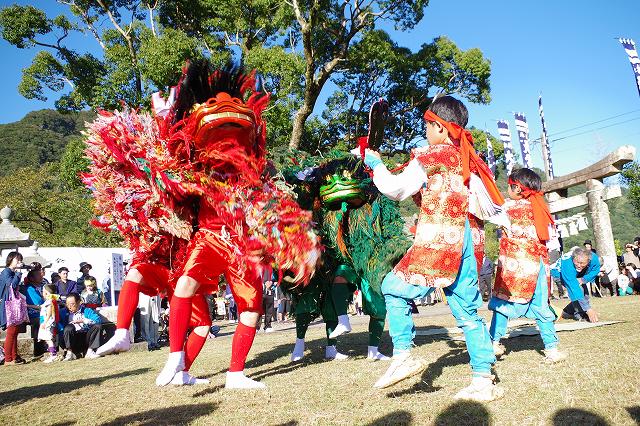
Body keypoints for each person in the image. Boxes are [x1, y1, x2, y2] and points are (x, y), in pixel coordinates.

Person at [358, 95, 505, 400]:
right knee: (467, 313)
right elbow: (445, 198)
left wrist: (375, 164)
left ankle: (403, 356)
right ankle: (483, 381)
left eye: (427, 125)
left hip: (442, 239)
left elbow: (395, 189)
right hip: (469, 240)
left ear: (439, 126)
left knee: (393, 287)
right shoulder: (467, 160)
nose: (424, 131)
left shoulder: (432, 154)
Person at [488, 168, 566, 364]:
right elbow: (550, 241)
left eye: (510, 185)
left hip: (514, 264)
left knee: (503, 302)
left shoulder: (506, 208)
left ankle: (493, 343)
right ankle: (551, 349)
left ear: (517, 187)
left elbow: (487, 212)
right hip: (538, 263)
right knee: (541, 304)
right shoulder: (541, 209)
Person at [551, 247, 600, 322]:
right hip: (559, 273)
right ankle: (580, 314)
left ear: (588, 261)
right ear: (573, 258)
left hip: (578, 273)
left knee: (585, 295)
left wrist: (584, 279)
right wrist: (588, 309)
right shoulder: (567, 264)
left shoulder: (594, 258)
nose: (579, 265)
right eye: (577, 262)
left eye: (582, 263)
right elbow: (574, 288)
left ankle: (567, 312)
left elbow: (595, 269)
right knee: (578, 291)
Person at [0, 251, 26, 365]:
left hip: (13, 305)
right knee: (11, 331)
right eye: (17, 259)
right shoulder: (6, 272)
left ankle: (14, 356)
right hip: (8, 305)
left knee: (15, 331)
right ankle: (8, 359)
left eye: (20, 260)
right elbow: (12, 285)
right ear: (10, 260)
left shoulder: (12, 272)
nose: (19, 262)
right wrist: (19, 273)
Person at [61, 293, 102, 360]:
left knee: (97, 326)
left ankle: (90, 351)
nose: (69, 306)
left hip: (85, 337)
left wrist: (83, 320)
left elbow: (98, 320)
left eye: (72, 304)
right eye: (67, 304)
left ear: (79, 302)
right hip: (72, 338)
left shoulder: (87, 311)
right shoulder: (63, 312)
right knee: (69, 327)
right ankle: (69, 353)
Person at [23, 263, 47, 358]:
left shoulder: (42, 286)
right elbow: (39, 302)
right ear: (32, 278)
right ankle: (39, 349)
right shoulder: (30, 288)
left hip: (42, 311)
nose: (41, 275)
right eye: (38, 274)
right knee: (39, 322)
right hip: (34, 313)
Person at [39, 284, 60, 363]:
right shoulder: (51, 301)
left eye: (43, 292)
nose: (42, 293)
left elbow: (49, 313)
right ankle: (52, 354)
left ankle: (53, 355)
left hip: (47, 323)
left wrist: (45, 322)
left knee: (49, 339)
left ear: (46, 292)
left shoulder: (50, 301)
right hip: (47, 322)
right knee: (48, 339)